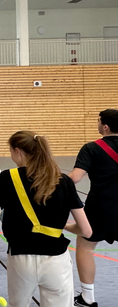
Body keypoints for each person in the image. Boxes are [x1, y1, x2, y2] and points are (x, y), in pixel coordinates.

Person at [0, 131, 92, 307]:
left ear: (17, 151)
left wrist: (3, 215)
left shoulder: (8, 177)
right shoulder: (63, 180)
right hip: (55, 259)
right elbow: (86, 230)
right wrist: (65, 226)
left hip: (20, 258)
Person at [68, 109, 118, 307]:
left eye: (99, 122)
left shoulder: (92, 148)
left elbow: (75, 178)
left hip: (101, 207)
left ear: (105, 126)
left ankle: (87, 298)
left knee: (85, 248)